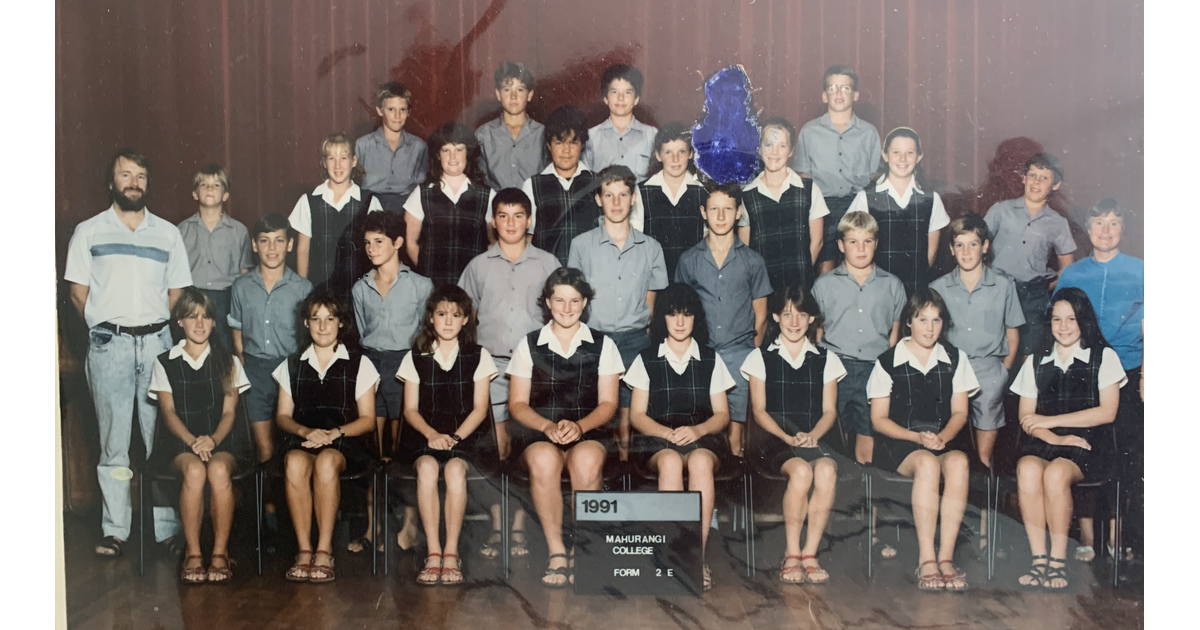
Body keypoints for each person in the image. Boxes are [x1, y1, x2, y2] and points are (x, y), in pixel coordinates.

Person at [65, 148, 187, 558]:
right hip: (109, 347)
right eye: (125, 175)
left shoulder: (167, 233)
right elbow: (78, 294)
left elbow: (177, 293)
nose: (134, 182)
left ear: (147, 184)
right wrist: (109, 330)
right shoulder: (88, 232)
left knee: (161, 440)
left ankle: (166, 529)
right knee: (114, 443)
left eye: (140, 176)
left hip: (157, 345)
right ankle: (115, 529)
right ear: (111, 183)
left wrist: (149, 328)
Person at [505, 268, 624, 587]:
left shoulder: (604, 345)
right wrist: (546, 427)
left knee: (586, 462)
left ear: (585, 302)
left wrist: (581, 426)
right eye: (559, 300)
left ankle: (582, 547)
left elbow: (609, 404)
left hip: (589, 432)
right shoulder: (529, 344)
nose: (567, 308)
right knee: (544, 461)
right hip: (540, 433)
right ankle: (557, 551)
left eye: (575, 300)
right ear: (548, 302)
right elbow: (517, 404)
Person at [458, 188, 560, 559]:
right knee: (497, 449)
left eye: (519, 215)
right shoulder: (478, 266)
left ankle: (519, 528)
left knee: (525, 449)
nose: (511, 223)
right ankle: (498, 526)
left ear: (530, 220)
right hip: (494, 367)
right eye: (503, 215)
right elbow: (463, 320)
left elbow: (561, 317)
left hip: (537, 371)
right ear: (493, 221)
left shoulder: (548, 263)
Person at [1011, 288, 1126, 590]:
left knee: (1057, 473)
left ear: (1084, 321)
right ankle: (1039, 560)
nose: (1063, 326)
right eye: (1056, 319)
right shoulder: (1036, 360)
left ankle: (1058, 560)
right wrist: (1054, 437)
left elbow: (1107, 412)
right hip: (1046, 441)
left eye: (1071, 319)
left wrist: (1052, 422)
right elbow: (1027, 417)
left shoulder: (1103, 356)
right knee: (1028, 469)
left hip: (1089, 443)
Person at [867, 288, 980, 591]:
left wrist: (941, 438)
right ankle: (926, 559)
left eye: (936, 320)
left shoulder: (956, 359)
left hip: (940, 440)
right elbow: (879, 420)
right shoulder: (887, 361)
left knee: (958, 462)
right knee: (928, 465)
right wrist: (916, 436)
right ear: (908, 322)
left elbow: (959, 412)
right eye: (922, 319)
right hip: (900, 443)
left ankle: (946, 559)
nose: (929, 328)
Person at [625, 283, 734, 592]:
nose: (680, 322)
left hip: (702, 437)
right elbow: (636, 416)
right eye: (673, 315)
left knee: (699, 461)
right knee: (671, 463)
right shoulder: (646, 359)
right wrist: (666, 433)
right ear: (663, 319)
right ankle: (673, 555)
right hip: (659, 438)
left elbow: (722, 415)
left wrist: (697, 431)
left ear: (695, 319)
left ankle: (695, 558)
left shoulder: (711, 359)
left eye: (687, 315)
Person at [1054, 198, 1144, 562]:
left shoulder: (1142, 271)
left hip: (1129, 371)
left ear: (1123, 229)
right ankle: (1087, 537)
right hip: (1085, 373)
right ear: (1087, 229)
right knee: (1085, 453)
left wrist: (1148, 375)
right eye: (1098, 224)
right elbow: (1059, 326)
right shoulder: (1073, 274)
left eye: (1113, 223)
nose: (1105, 231)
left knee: (1127, 456)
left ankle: (1120, 537)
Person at [273, 289, 380, 584]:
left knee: (326, 463)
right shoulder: (291, 364)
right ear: (305, 323)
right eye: (315, 319)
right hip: (304, 439)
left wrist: (334, 434)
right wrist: (306, 431)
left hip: (346, 443)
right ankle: (304, 550)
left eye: (330, 318)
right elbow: (283, 416)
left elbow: (368, 420)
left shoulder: (360, 363)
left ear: (341, 323)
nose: (323, 326)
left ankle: (324, 549)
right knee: (294, 463)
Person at [740, 285, 846, 585]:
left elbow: (829, 412)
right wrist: (788, 438)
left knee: (826, 470)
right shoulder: (760, 358)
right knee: (800, 471)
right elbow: (759, 411)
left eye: (801, 314)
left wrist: (812, 436)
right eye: (787, 314)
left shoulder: (827, 359)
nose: (795, 321)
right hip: (775, 441)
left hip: (814, 438)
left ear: (812, 319)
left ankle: (810, 554)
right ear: (775, 317)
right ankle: (792, 552)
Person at [147, 288, 251, 584]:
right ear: (179, 321)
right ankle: (193, 553)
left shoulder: (228, 361)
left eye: (206, 316)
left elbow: (230, 412)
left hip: (221, 440)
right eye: (192, 317)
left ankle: (219, 553)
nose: (200, 323)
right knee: (194, 471)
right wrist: (193, 441)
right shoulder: (164, 361)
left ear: (214, 322)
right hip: (181, 442)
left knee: (217, 469)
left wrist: (213, 440)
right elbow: (167, 411)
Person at [396, 286, 499, 585]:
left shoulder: (478, 356)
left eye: (456, 315)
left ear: (466, 319)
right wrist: (431, 435)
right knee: (427, 468)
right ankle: (433, 552)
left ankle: (452, 553)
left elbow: (480, 409)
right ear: (431, 318)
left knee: (454, 470)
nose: (449, 321)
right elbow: (410, 410)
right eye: (442, 314)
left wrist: (453, 438)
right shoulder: (415, 357)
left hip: (465, 438)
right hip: (424, 438)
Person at [568, 165, 668, 458]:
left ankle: (629, 478)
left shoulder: (651, 248)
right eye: (608, 194)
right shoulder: (581, 245)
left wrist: (640, 332)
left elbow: (650, 303)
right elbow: (573, 301)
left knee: (629, 425)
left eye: (623, 194)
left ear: (633, 198)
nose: (616, 202)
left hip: (635, 341)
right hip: (594, 342)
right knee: (599, 422)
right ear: (598, 199)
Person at [351, 210, 434, 553]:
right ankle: (373, 528)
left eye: (379, 242)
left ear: (398, 242)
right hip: (371, 366)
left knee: (403, 454)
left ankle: (410, 525)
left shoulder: (420, 285)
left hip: (405, 367)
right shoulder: (360, 288)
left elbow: (426, 336)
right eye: (368, 242)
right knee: (373, 453)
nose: (371, 248)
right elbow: (360, 332)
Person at [228, 213, 313, 533]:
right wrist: (246, 365)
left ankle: (297, 514)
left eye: (279, 240)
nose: (272, 248)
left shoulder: (302, 287)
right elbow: (236, 333)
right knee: (264, 449)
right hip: (257, 370)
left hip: (291, 369)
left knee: (292, 445)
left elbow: (309, 337)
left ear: (290, 244)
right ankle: (271, 512)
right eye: (264, 241)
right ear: (254, 245)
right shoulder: (241, 286)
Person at [675, 182, 773, 453]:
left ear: (738, 212)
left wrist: (751, 356)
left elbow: (761, 314)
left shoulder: (753, 261)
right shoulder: (688, 260)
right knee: (701, 434)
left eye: (727, 209)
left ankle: (734, 493)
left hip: (738, 355)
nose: (720, 216)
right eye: (714, 209)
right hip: (701, 355)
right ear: (703, 212)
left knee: (735, 438)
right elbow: (679, 310)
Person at [927, 214, 1023, 470]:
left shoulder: (1003, 285)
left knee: (982, 456)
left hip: (988, 368)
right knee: (942, 449)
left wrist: (1003, 370)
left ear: (985, 246)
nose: (966, 252)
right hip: (949, 367)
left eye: (973, 244)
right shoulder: (939, 287)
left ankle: (984, 499)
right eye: (959, 245)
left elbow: (1013, 334)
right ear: (951, 249)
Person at [812, 211, 906, 465]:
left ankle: (867, 494)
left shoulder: (893, 285)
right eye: (853, 242)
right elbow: (817, 335)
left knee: (868, 433)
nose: (861, 249)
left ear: (876, 243)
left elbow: (894, 337)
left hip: (874, 369)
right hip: (836, 369)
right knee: (835, 435)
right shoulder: (824, 285)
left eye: (867, 241)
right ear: (841, 245)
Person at [792, 65, 883, 276]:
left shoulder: (868, 133)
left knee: (858, 261)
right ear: (824, 96)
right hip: (823, 206)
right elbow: (803, 176)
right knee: (825, 263)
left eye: (845, 88)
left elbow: (874, 177)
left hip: (858, 204)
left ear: (856, 95)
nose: (839, 93)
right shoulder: (809, 131)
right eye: (832, 89)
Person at [983, 152, 1075, 359]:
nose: (1036, 182)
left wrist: (1043, 287)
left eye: (1044, 178)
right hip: (998, 290)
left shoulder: (1058, 222)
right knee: (996, 347)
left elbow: (1067, 268)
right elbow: (976, 244)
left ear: (1055, 185)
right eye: (1032, 175)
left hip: (1033, 297)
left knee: (1029, 353)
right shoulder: (1001, 210)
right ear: (1023, 178)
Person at [847, 127, 950, 297]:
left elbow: (930, 256)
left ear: (919, 157)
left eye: (910, 153)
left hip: (916, 287)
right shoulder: (865, 197)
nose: (903, 159)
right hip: (877, 289)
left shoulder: (931, 199)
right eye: (896, 152)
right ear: (885, 155)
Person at [289, 132, 384, 300]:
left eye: (344, 158)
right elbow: (303, 249)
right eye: (331, 158)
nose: (337, 165)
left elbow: (379, 249)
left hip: (358, 291)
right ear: (324, 163)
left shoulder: (369, 201)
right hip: (320, 289)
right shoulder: (309, 201)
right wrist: (304, 290)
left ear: (354, 161)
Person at [738, 118, 829, 292]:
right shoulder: (748, 195)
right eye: (768, 144)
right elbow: (745, 249)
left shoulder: (808, 189)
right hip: (763, 287)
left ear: (791, 151)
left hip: (800, 284)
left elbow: (817, 241)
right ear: (759, 149)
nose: (774, 152)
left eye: (782, 145)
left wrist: (803, 273)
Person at [403, 121, 496, 288]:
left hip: (472, 286)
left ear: (468, 153)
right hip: (433, 286)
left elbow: (494, 243)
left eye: (459, 149)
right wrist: (427, 273)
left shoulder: (487, 195)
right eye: (446, 150)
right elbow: (410, 242)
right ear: (438, 155)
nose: (452, 157)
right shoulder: (422, 193)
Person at [176, 163, 253, 348]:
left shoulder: (239, 231)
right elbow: (175, 275)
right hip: (191, 296)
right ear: (194, 194)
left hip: (225, 299)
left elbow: (244, 273)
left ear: (226, 195)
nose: (210, 188)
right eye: (203, 184)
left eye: (217, 185)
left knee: (223, 352)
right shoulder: (181, 230)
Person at [523, 105, 597, 263]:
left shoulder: (597, 183)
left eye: (573, 143)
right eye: (559, 142)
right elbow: (527, 238)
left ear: (582, 145)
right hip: (547, 275)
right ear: (549, 145)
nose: (566, 150)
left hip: (588, 274)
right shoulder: (533, 185)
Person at [640, 123, 709, 280]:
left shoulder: (702, 191)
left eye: (682, 151)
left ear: (690, 153)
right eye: (668, 152)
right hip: (655, 280)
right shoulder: (642, 191)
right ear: (658, 155)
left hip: (695, 278)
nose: (675, 159)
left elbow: (708, 241)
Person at [356, 82, 429, 214]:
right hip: (370, 207)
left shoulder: (419, 146)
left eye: (402, 109)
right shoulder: (362, 145)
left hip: (406, 208)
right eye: (391, 109)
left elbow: (421, 187)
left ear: (409, 112)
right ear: (379, 110)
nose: (397, 116)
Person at [476, 61, 546, 191]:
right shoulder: (484, 134)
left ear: (530, 95)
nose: (513, 96)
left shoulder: (542, 133)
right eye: (507, 90)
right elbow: (479, 181)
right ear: (498, 94)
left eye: (520, 90)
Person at [584, 63, 658, 182]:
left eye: (627, 92)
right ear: (605, 98)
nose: (620, 98)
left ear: (636, 99)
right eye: (614, 92)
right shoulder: (591, 137)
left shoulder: (651, 135)